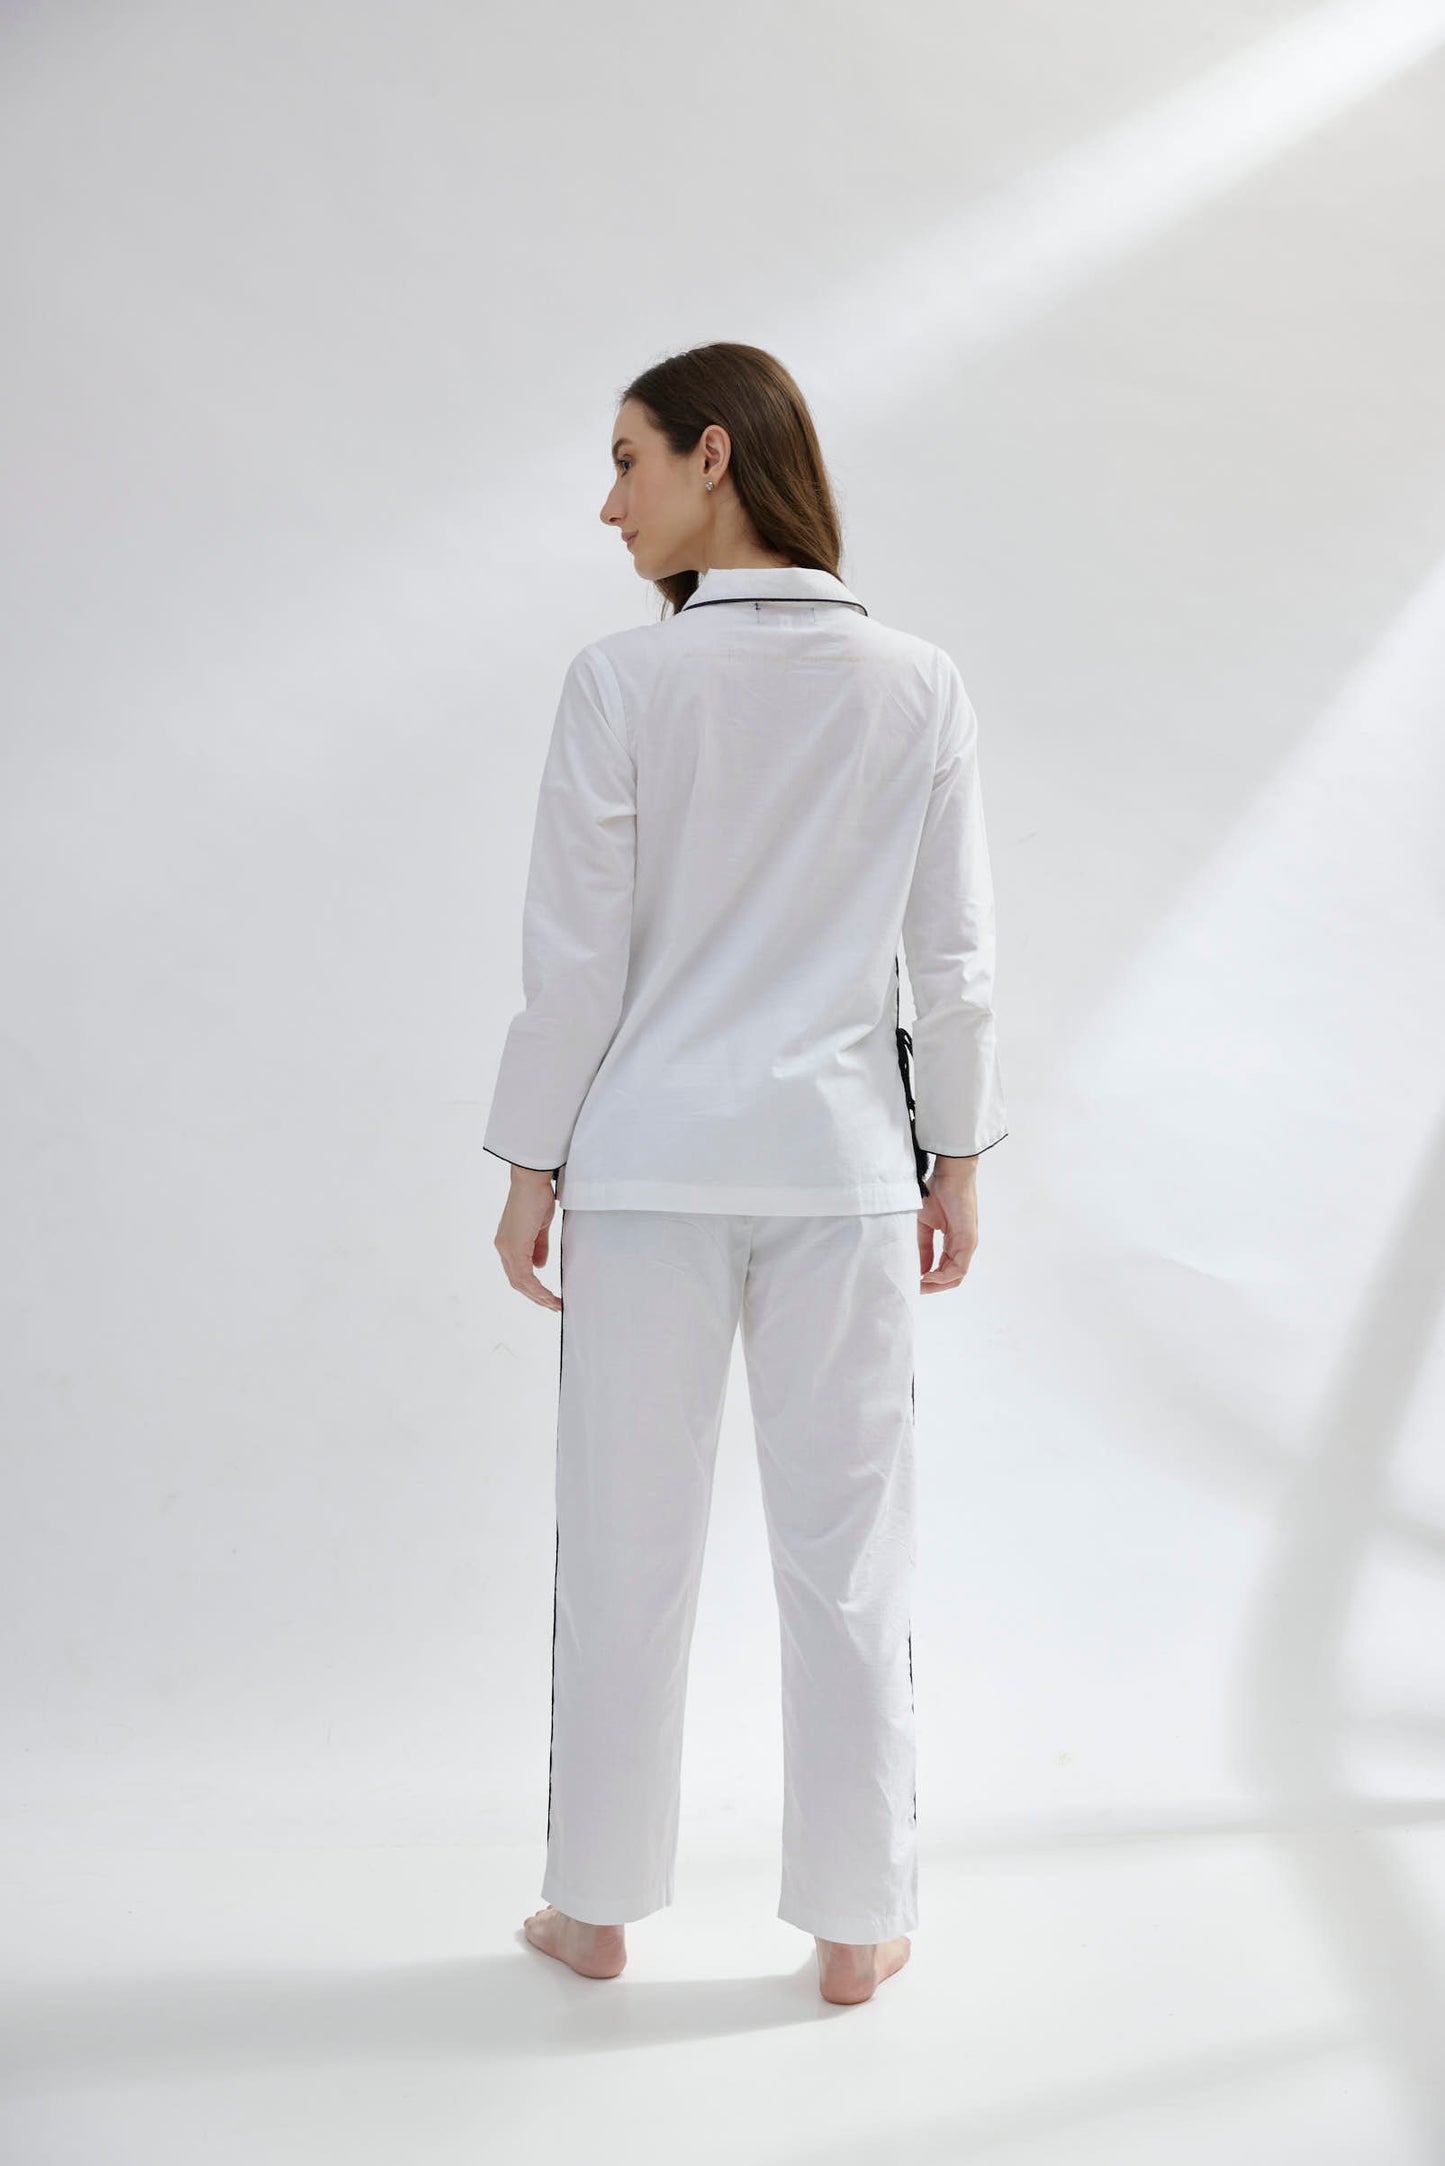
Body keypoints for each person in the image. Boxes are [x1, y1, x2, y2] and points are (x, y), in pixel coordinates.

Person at [483, 342, 1007, 2006]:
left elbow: (574, 964)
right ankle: (855, 1924)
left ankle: (592, 1908)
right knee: (847, 1556)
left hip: (644, 1171)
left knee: (620, 1551)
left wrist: (529, 1161)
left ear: (713, 453)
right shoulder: (918, 683)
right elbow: (956, 965)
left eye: (626, 458)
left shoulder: (620, 684)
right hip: (841, 1173)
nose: (609, 502)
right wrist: (954, 1161)